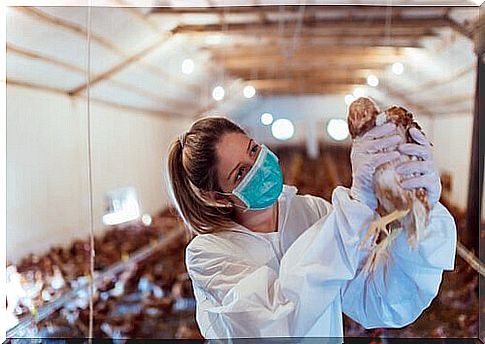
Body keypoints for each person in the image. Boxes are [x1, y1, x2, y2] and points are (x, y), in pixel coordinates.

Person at [165, 116, 456, 340]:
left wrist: (416, 216)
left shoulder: (314, 212)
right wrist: (357, 203)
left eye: (253, 150)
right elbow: (276, 325)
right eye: (240, 172)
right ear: (216, 197)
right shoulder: (208, 254)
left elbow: (380, 299)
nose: (257, 165)